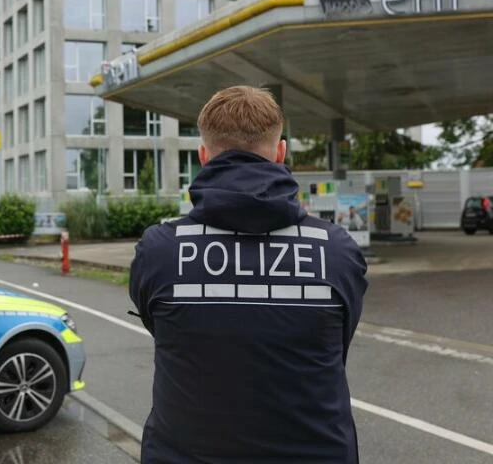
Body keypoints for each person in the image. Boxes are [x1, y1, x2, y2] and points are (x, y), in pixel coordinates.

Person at [129, 86, 368, 464]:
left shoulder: (159, 251)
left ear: (203, 156)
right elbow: (339, 344)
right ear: (280, 152)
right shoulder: (337, 251)